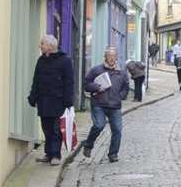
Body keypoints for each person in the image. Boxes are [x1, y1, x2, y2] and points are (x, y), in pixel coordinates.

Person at [27, 34, 74, 165]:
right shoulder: (41, 60)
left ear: (50, 46)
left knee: (56, 129)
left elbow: (69, 82)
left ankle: (56, 155)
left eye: (42, 44)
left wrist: (68, 101)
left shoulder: (65, 60)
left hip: (58, 101)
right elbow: (36, 80)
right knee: (45, 127)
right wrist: (33, 96)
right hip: (43, 100)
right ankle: (48, 153)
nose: (40, 46)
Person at [82, 47, 130, 162]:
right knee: (99, 125)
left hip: (115, 106)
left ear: (116, 57)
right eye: (109, 56)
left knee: (117, 130)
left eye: (113, 56)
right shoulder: (96, 70)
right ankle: (88, 145)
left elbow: (126, 88)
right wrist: (96, 87)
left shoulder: (121, 73)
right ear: (105, 57)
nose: (112, 58)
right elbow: (86, 84)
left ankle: (113, 154)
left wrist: (121, 96)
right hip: (99, 104)